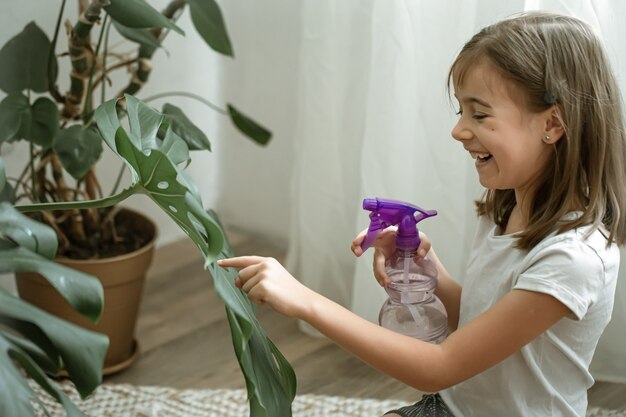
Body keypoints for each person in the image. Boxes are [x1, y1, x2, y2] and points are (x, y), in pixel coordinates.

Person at [217, 11, 626, 417]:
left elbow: (441, 366)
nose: (459, 130)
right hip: (453, 406)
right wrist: (431, 272)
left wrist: (305, 300)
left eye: (479, 114)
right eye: (460, 112)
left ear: (552, 123)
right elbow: (487, 326)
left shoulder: (573, 259)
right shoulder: (508, 209)